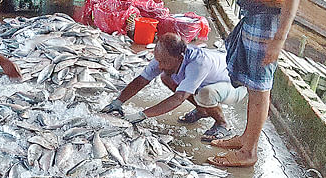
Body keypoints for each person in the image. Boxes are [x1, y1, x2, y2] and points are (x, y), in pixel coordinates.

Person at [207, 0, 309, 167]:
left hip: (268, 18)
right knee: (253, 87)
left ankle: (249, 152)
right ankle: (246, 139)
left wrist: (279, 38)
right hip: (255, 12)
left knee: (260, 87)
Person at [101, 33, 247, 142]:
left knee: (205, 94)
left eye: (163, 61)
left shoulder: (199, 62)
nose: (160, 65)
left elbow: (178, 98)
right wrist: (117, 102)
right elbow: (141, 80)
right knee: (166, 77)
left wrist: (142, 115)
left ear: (180, 57)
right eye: (158, 60)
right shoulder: (165, 57)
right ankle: (202, 109)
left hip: (236, 85)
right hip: (209, 82)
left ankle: (223, 124)